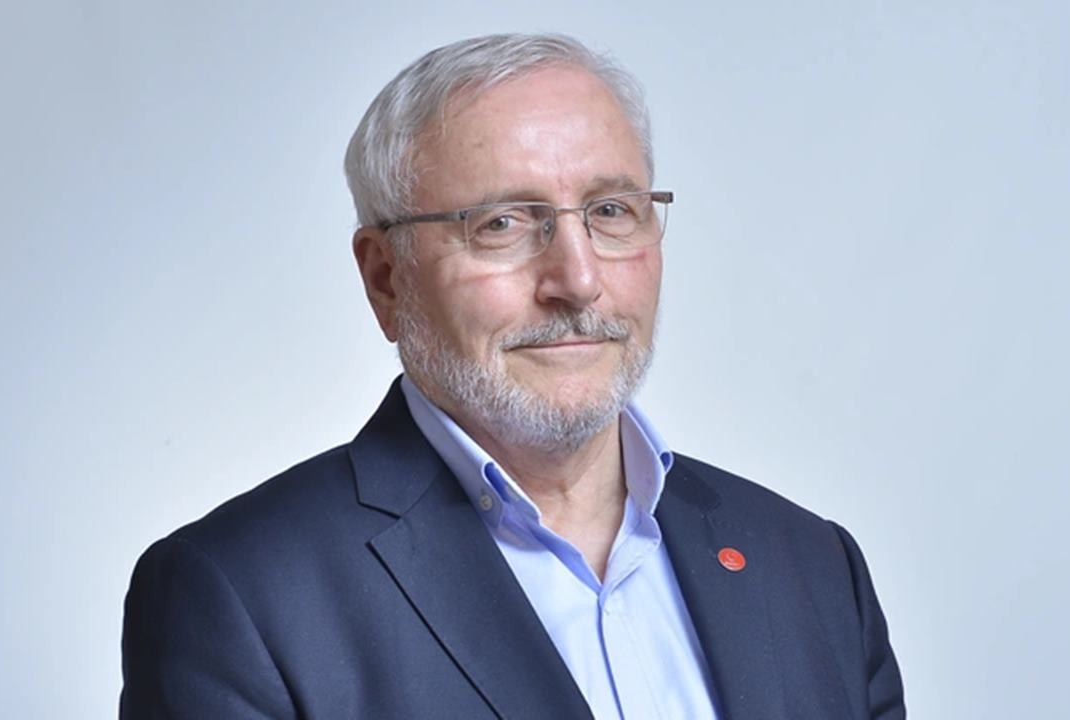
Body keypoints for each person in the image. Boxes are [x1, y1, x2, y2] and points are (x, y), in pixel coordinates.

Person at [120, 33, 905, 719]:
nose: (579, 281)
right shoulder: (241, 597)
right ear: (386, 278)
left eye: (611, 211)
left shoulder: (812, 565)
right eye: (502, 224)